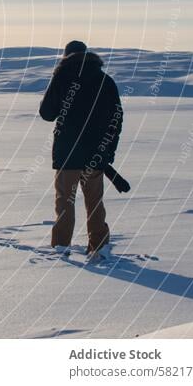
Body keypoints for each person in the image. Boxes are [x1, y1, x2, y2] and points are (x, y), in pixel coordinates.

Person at [39, 40, 123, 260]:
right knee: (95, 201)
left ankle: (60, 247)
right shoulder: (105, 81)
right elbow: (116, 118)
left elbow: (47, 113)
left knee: (65, 200)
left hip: (67, 154)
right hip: (95, 156)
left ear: (66, 57)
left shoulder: (62, 77)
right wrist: (107, 151)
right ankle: (99, 246)